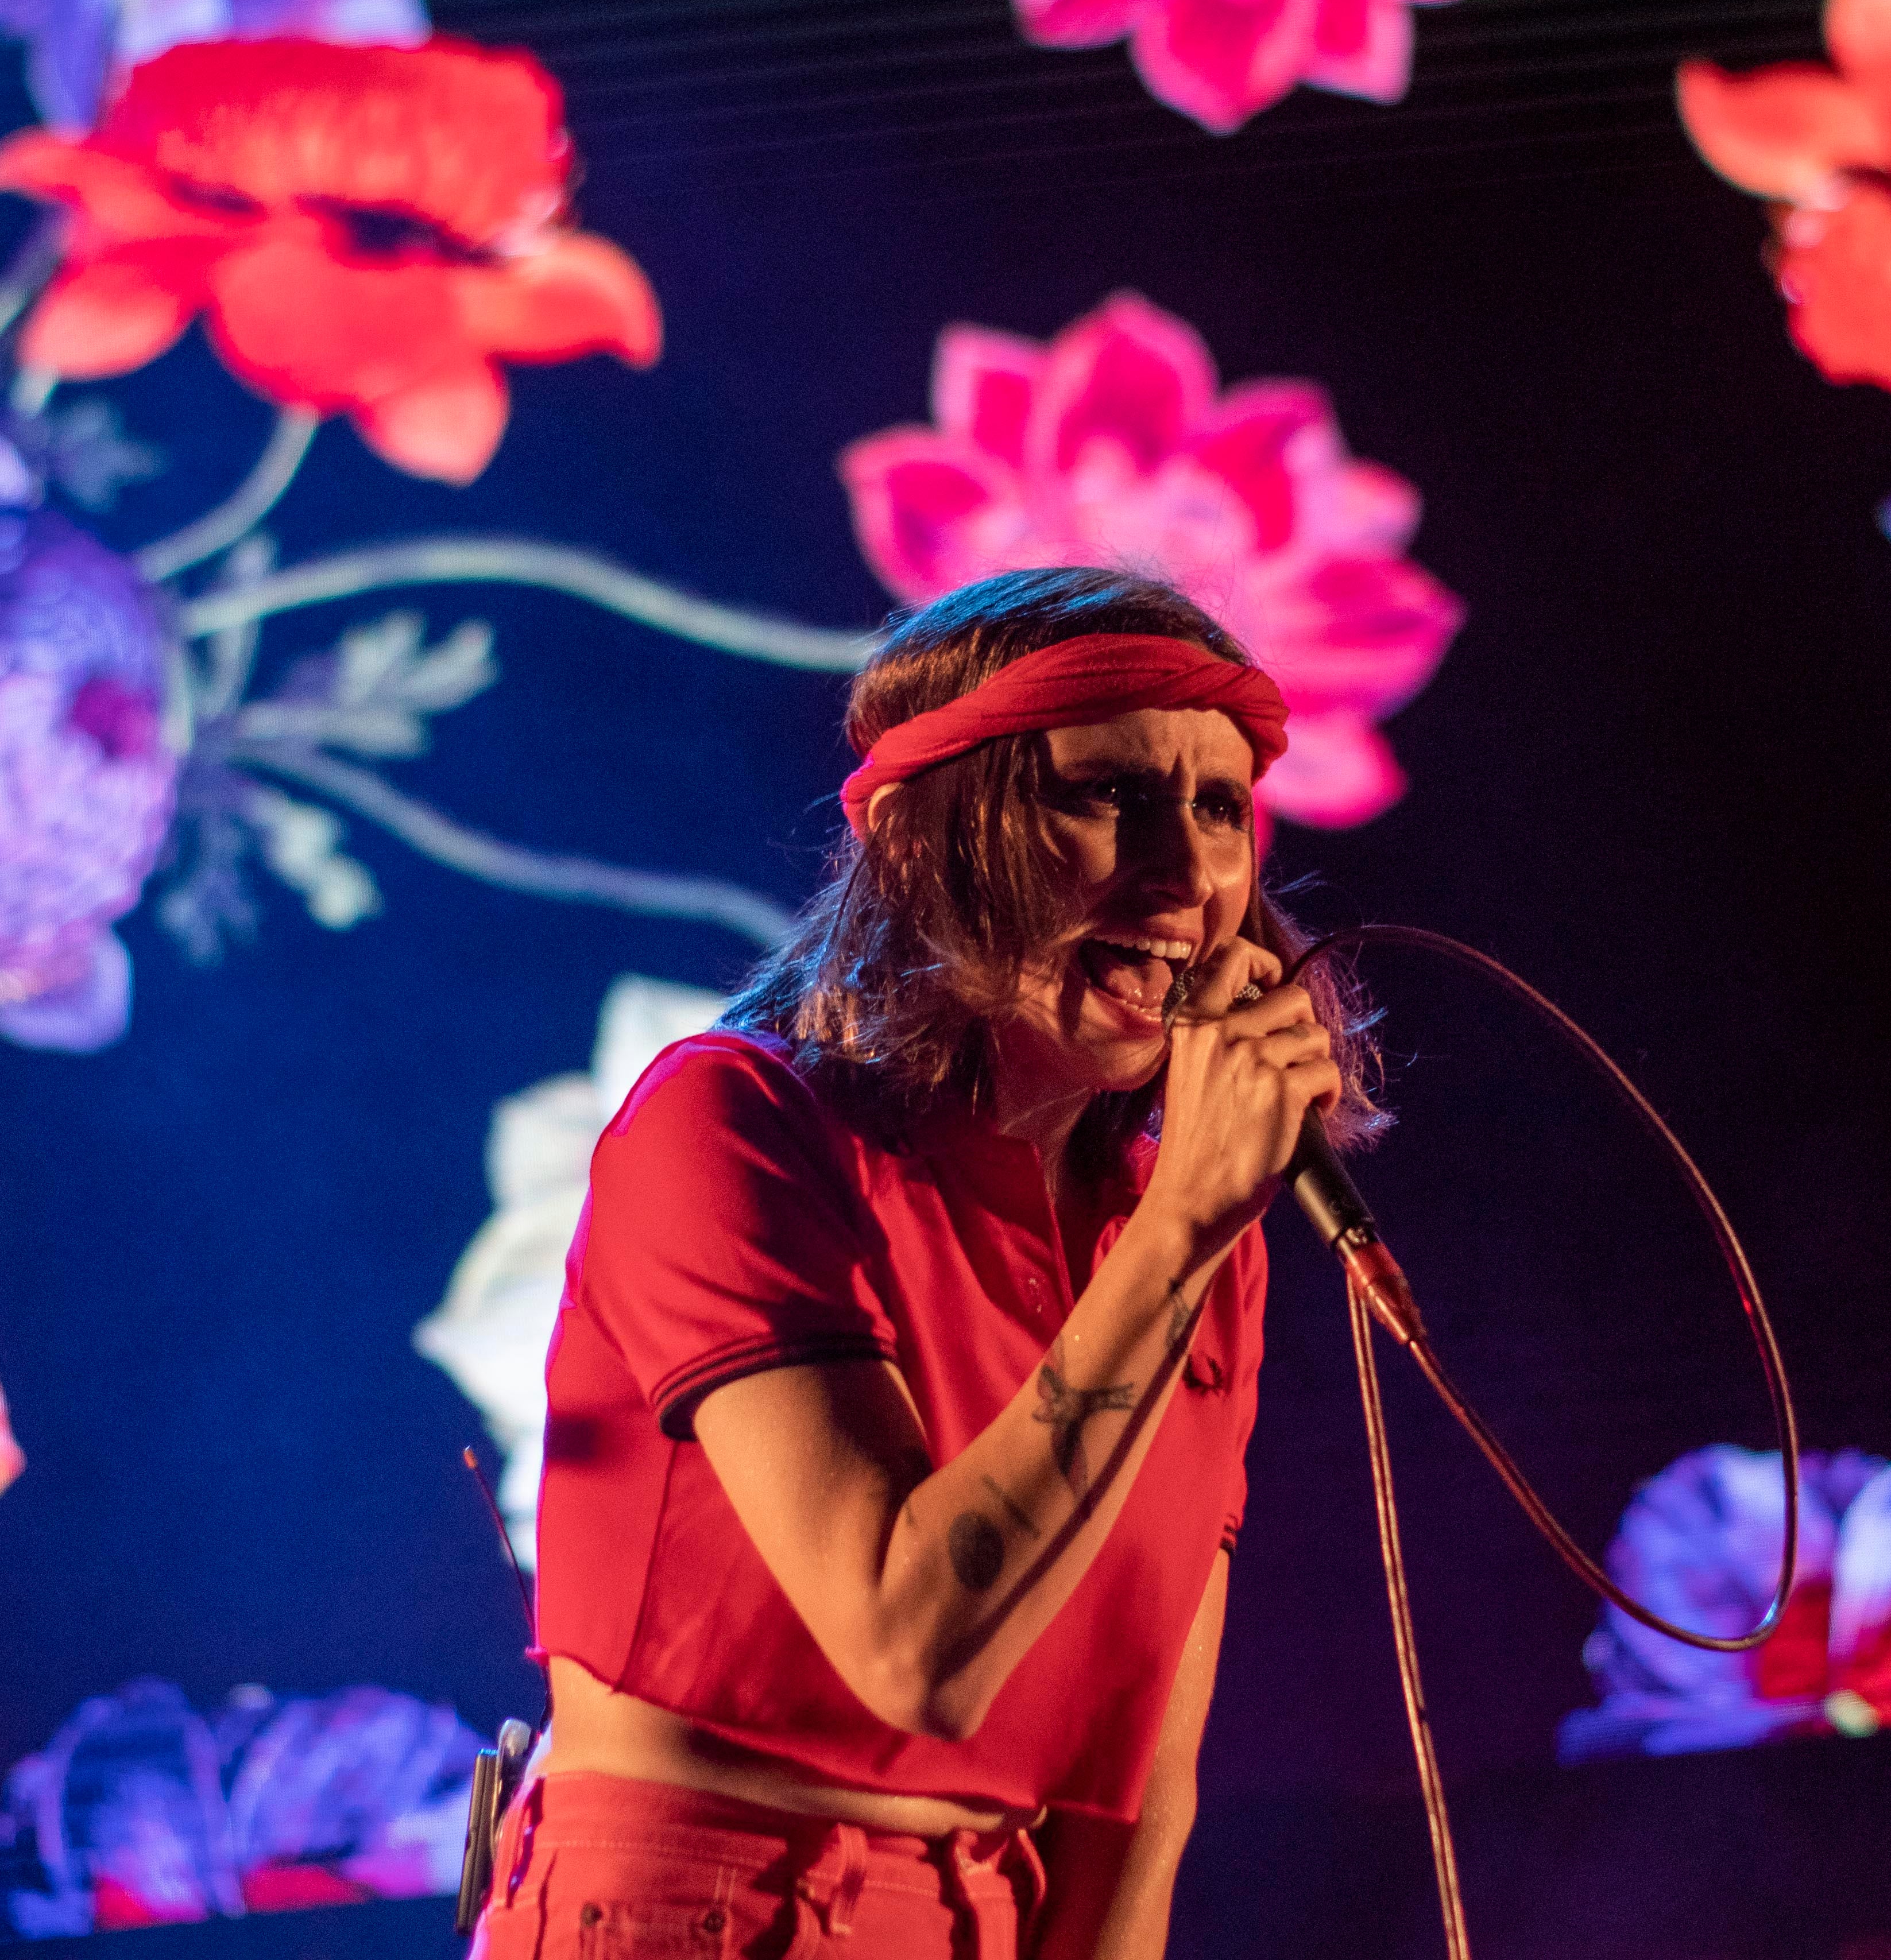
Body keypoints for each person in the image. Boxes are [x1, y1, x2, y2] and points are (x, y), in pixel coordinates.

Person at [473, 567, 1372, 1960]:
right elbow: (911, 1647)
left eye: (1217, 807)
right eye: (1108, 793)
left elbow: (1140, 1792)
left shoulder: (1187, 1233)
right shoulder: (734, 1124)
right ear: (911, 839)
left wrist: (1185, 1231)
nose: (1191, 874)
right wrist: (1181, 1230)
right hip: (681, 1914)